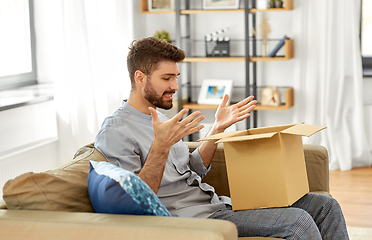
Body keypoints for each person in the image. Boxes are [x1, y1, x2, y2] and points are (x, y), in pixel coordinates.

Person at [95, 37, 349, 239]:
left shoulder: (160, 119)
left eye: (176, 77)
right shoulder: (116, 131)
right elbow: (134, 199)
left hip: (217, 205)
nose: (175, 86)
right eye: (166, 78)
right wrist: (160, 147)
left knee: (326, 206)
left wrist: (217, 128)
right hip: (192, 221)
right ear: (140, 77)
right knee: (298, 223)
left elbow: (193, 169)